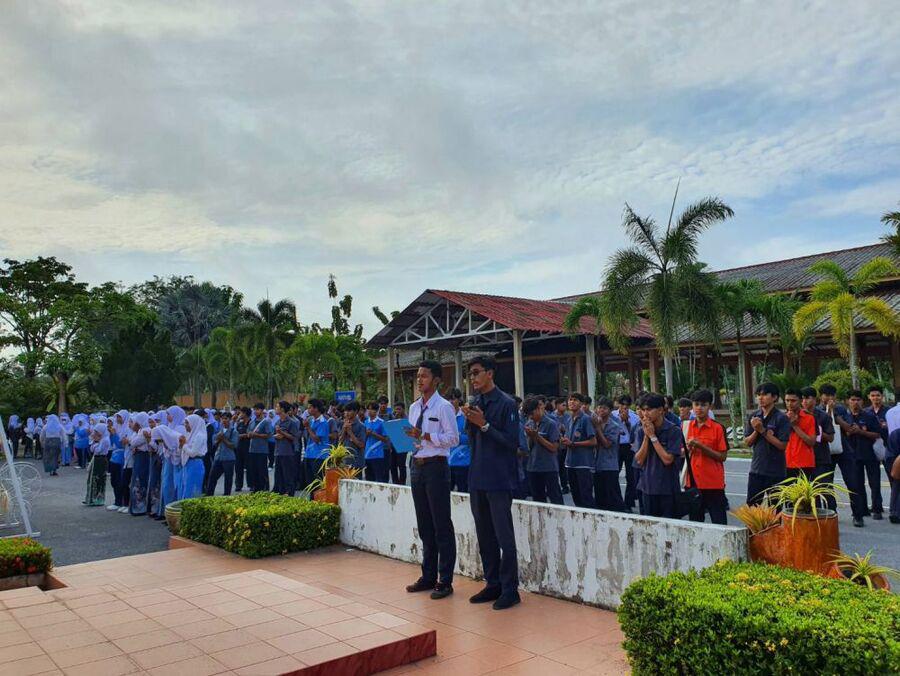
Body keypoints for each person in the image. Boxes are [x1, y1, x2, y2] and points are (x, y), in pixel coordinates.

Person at [462, 355, 521, 610]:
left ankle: (510, 589)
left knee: (504, 537)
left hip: (499, 478)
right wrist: (471, 421)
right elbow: (471, 437)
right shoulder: (476, 402)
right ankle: (492, 582)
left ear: (490, 373)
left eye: (476, 372)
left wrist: (484, 424)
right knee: (485, 535)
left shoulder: (506, 404)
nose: (472, 378)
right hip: (477, 476)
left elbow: (512, 443)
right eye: (470, 374)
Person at [404, 360, 459, 601]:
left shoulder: (444, 407)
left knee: (441, 524)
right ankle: (427, 576)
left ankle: (445, 580)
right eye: (418, 376)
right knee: (424, 524)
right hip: (417, 466)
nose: (419, 380)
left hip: (436, 466)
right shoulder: (414, 407)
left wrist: (426, 435)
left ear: (436, 379)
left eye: (424, 376)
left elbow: (453, 438)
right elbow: (413, 438)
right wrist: (407, 439)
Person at [820, 384, 866, 527]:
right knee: (827, 484)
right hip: (826, 452)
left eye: (832, 395)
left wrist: (834, 414)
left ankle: (857, 515)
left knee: (852, 482)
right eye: (826, 395)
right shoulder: (817, 411)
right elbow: (821, 431)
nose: (829, 398)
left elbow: (849, 429)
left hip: (844, 450)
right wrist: (828, 413)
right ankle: (832, 513)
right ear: (821, 396)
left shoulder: (840, 409)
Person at [634, 393, 683, 518]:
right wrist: (646, 437)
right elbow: (639, 460)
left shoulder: (673, 430)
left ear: (661, 410)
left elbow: (667, 459)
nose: (645, 414)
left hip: (668, 489)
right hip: (647, 488)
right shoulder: (641, 431)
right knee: (649, 526)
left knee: (669, 526)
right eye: (643, 410)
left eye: (649, 409)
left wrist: (653, 436)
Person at [685, 389, 728, 524]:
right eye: (696, 404)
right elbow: (681, 453)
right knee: (695, 524)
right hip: (692, 482)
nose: (699, 408)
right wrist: (686, 449)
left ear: (710, 406)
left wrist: (701, 447)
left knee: (719, 523)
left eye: (703, 405)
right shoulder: (686, 427)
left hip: (713, 483)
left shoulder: (718, 428)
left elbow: (722, 456)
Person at [745, 383, 791, 505]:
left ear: (774, 397)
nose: (760, 398)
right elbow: (747, 442)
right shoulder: (754, 416)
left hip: (776, 472)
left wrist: (762, 431)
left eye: (765, 394)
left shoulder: (781, 418)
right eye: (758, 395)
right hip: (756, 470)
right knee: (752, 507)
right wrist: (756, 430)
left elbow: (782, 445)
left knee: (775, 509)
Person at [844, 389, 883, 520]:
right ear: (848, 401)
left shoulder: (869, 416)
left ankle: (877, 509)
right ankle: (862, 509)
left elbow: (877, 434)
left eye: (858, 400)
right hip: (853, 455)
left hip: (870, 454)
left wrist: (861, 432)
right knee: (857, 483)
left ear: (862, 401)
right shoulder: (845, 417)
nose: (855, 402)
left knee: (875, 483)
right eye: (853, 400)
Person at [523, 397, 562, 504]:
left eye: (532, 413)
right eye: (528, 415)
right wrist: (530, 437)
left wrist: (537, 436)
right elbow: (528, 448)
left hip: (548, 467)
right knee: (538, 500)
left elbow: (554, 448)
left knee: (555, 498)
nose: (530, 417)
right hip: (533, 467)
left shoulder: (551, 424)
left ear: (538, 409)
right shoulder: (529, 423)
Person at [562, 393, 596, 509]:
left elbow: (593, 441)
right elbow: (569, 438)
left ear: (581, 403)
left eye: (575, 400)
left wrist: (573, 444)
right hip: (570, 463)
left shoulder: (586, 419)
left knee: (586, 497)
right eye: (570, 400)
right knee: (576, 496)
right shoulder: (569, 419)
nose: (572, 402)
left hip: (583, 464)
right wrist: (564, 440)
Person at [592, 398, 626, 512]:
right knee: (599, 498)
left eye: (605, 408)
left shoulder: (614, 425)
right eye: (599, 407)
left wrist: (598, 428)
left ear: (610, 410)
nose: (601, 410)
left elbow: (607, 444)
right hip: (596, 465)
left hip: (609, 465)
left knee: (613, 497)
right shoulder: (593, 423)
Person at [800, 387, 835, 484]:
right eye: (802, 398)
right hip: (803, 459)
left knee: (823, 488)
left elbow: (831, 438)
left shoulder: (823, 416)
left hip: (821, 459)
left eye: (807, 398)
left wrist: (816, 432)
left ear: (815, 399)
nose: (804, 401)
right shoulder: (797, 416)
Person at [613, 395, 640, 511]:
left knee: (631, 476)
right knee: (614, 474)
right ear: (618, 404)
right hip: (616, 446)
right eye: (622, 404)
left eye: (627, 405)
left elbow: (634, 435)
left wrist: (627, 422)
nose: (624, 407)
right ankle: (617, 501)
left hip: (629, 447)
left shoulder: (634, 417)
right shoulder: (613, 415)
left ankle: (628, 502)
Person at [784, 388, 817, 479]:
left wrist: (795, 426)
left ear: (800, 401)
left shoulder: (809, 418)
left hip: (804, 464)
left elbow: (811, 442)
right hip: (785, 462)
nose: (790, 404)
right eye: (787, 400)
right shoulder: (781, 418)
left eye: (793, 401)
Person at [207, 411, 238, 495]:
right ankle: (209, 495)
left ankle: (226, 495)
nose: (224, 420)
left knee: (228, 479)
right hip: (218, 457)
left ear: (230, 420)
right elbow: (214, 443)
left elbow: (233, 445)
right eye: (222, 419)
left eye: (226, 419)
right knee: (212, 477)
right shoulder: (218, 430)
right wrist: (218, 439)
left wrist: (223, 439)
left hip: (229, 458)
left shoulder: (234, 431)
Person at [273, 401, 300, 495]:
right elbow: (275, 434)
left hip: (288, 452)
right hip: (278, 452)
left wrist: (282, 433)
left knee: (288, 476)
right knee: (279, 476)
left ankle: (290, 495)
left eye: (277, 407)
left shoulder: (292, 422)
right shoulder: (278, 422)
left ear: (282, 409)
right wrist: (277, 435)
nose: (276, 408)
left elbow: (294, 437)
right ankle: (281, 494)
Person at [303, 399, 331, 491]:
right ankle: (312, 498)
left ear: (316, 408)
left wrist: (308, 428)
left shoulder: (323, 422)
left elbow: (317, 439)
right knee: (310, 482)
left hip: (319, 456)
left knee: (318, 483)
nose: (308, 409)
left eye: (310, 407)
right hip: (309, 454)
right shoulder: (311, 420)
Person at [179, 413, 208, 499]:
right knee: (187, 488)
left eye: (187, 423)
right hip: (189, 464)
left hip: (195, 464)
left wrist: (184, 445)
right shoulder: (190, 435)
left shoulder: (199, 436)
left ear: (193, 423)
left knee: (192, 490)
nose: (185, 425)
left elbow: (193, 453)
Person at [448, 389, 471, 493]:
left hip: (463, 462)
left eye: (453, 399)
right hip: (447, 462)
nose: (451, 402)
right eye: (449, 399)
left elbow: (471, 438)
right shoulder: (444, 417)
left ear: (459, 400)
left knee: (463, 494)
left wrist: (456, 437)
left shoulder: (466, 416)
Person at [128, 412, 151, 515]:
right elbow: (132, 443)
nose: (135, 423)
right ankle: (136, 507)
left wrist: (133, 444)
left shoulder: (146, 430)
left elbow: (133, 442)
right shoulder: (141, 431)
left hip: (143, 457)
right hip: (139, 456)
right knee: (137, 479)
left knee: (140, 479)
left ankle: (140, 507)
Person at [247, 403, 272, 492]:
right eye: (254, 409)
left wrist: (257, 435)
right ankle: (256, 489)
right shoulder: (252, 422)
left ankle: (264, 489)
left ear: (262, 410)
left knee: (262, 471)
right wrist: (249, 434)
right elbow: (248, 432)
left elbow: (269, 435)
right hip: (252, 449)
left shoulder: (266, 422)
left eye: (257, 409)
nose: (255, 411)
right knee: (254, 470)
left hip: (262, 450)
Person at [84, 422, 110, 506]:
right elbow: (92, 449)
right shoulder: (99, 440)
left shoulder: (105, 440)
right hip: (96, 459)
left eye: (96, 431)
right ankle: (91, 497)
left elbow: (98, 450)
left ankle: (98, 499)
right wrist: (95, 442)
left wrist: (96, 442)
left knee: (99, 479)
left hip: (101, 460)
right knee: (92, 478)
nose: (95, 434)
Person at [363, 402, 389, 482]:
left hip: (378, 454)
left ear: (377, 411)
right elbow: (364, 437)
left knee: (379, 479)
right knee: (369, 479)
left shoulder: (381, 422)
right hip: (367, 454)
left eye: (372, 409)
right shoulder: (366, 422)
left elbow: (386, 439)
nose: (370, 411)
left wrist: (373, 434)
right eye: (368, 409)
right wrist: (367, 434)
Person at [339, 402, 366, 474]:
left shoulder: (361, 426)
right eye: (346, 411)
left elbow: (361, 445)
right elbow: (340, 442)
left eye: (349, 411)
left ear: (356, 411)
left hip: (356, 462)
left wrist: (350, 432)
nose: (346, 413)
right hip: (345, 461)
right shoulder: (344, 424)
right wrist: (344, 430)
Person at [234, 407, 251, 492]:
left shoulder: (251, 423)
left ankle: (251, 484)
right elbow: (235, 432)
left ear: (245, 413)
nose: (239, 414)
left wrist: (244, 435)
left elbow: (252, 433)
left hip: (248, 447)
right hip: (239, 447)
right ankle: (238, 485)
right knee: (238, 467)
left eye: (241, 413)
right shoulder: (239, 423)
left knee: (249, 467)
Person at [886, 423, 900, 524]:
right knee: (897, 484)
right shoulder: (896, 434)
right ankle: (895, 512)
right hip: (895, 462)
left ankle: (895, 511)